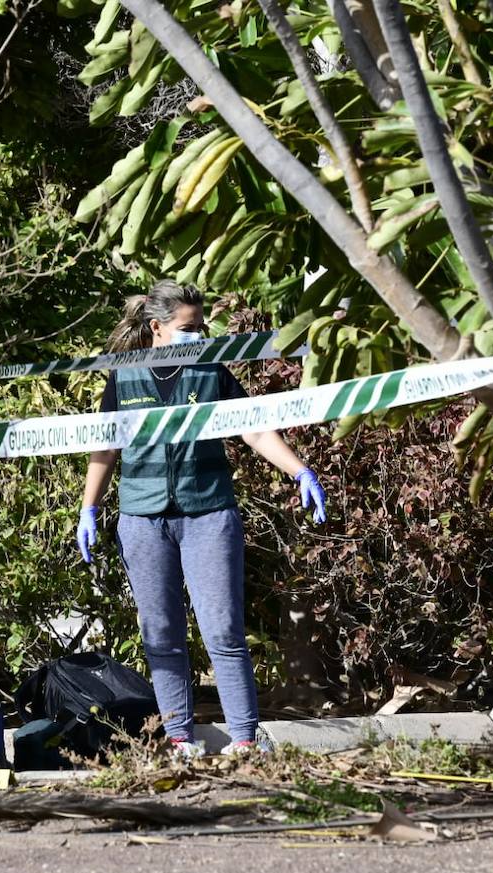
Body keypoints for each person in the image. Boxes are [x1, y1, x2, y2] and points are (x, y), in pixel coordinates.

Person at [75, 280, 328, 758]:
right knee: (161, 634)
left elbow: (252, 428)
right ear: (158, 328)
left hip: (208, 513)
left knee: (223, 630)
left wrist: (300, 472)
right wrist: (89, 507)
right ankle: (179, 738)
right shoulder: (123, 377)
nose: (199, 335)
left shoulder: (210, 370)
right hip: (142, 517)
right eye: (189, 328)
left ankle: (245, 740)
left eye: (201, 326)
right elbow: (104, 445)